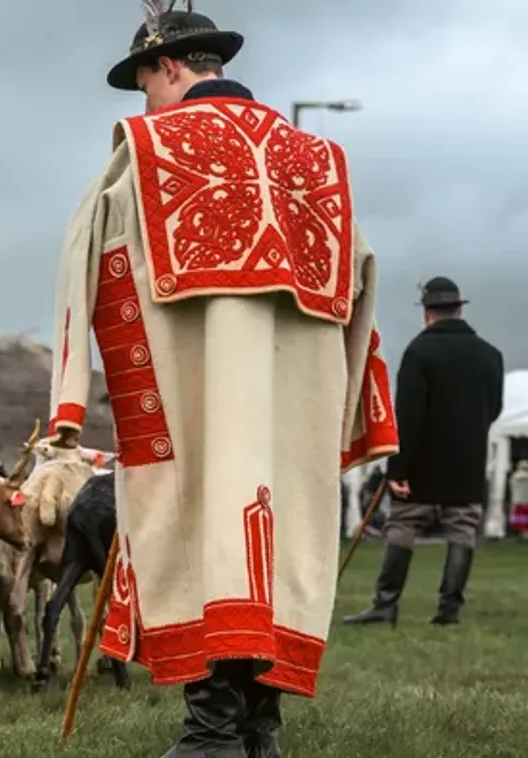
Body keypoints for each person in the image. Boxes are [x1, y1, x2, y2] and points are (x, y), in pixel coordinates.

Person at [47, 6, 399, 755]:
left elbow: (87, 253)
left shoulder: (145, 148)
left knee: (202, 538)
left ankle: (211, 734)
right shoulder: (314, 157)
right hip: (292, 402)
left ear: (168, 67)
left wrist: (71, 397)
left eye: (142, 83)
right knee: (277, 552)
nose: (142, 102)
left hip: (194, 384)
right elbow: (362, 273)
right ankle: (256, 729)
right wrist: (355, 401)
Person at [345, 277, 503, 628]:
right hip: (467, 464)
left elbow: (409, 417)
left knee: (402, 526)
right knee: (461, 531)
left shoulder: (420, 352)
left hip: (423, 467)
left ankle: (386, 605)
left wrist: (397, 471)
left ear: (427, 313)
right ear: (459, 309)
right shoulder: (490, 355)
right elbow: (493, 409)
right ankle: (449, 611)